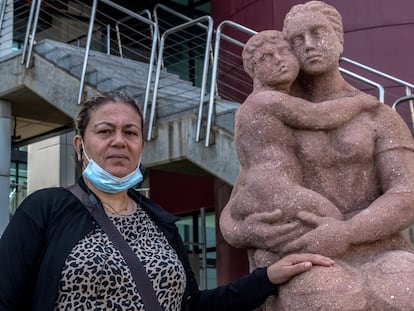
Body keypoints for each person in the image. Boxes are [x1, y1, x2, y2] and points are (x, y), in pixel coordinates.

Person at [0, 91, 335, 311]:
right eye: (105, 131)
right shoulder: (45, 209)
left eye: (130, 132)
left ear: (141, 145)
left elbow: (191, 305)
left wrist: (266, 278)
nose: (119, 141)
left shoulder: (160, 221)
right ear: (79, 145)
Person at [223, 1, 414, 310]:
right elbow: (245, 195)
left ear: (339, 39)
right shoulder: (273, 113)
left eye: (318, 33)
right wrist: (243, 230)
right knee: (324, 294)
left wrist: (347, 233)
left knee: (406, 286)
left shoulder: (379, 116)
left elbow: (406, 194)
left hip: (379, 248)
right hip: (304, 252)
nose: (309, 45)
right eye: (297, 40)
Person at [219, 29, 378, 269]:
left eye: (284, 52)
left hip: (257, 187)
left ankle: (276, 259)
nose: (279, 60)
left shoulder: (253, 107)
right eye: (266, 58)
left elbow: (248, 172)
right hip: (274, 186)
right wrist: (360, 102)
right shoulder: (266, 100)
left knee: (301, 228)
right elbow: (317, 116)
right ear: (253, 72)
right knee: (331, 219)